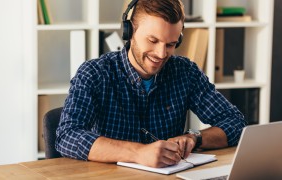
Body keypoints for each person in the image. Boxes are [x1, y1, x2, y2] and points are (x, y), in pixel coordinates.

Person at [56, 0, 246, 168]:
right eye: (153, 40)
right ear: (129, 31)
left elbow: (236, 123)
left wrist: (194, 138)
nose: (162, 54)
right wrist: (138, 153)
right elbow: (67, 136)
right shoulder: (94, 73)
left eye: (171, 44)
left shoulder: (185, 72)